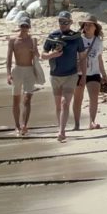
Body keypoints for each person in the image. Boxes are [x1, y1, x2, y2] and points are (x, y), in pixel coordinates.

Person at [42, 10, 86, 142]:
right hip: (55, 75)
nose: (63, 24)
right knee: (58, 105)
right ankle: (60, 127)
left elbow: (83, 57)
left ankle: (62, 131)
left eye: (66, 22)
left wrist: (83, 75)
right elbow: (42, 55)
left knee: (65, 103)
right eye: (61, 22)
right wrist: (51, 55)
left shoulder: (76, 37)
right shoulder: (53, 36)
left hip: (70, 75)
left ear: (71, 22)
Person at [72, 14, 107, 130]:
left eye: (90, 25)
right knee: (78, 98)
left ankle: (92, 122)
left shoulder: (98, 41)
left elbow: (99, 59)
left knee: (94, 97)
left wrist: (104, 75)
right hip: (79, 73)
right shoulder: (77, 39)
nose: (87, 27)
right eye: (86, 25)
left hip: (94, 73)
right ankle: (77, 124)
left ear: (95, 27)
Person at [6, 17, 40, 136]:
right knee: (16, 100)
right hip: (17, 71)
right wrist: (8, 74)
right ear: (19, 26)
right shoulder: (13, 40)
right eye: (22, 26)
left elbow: (38, 55)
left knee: (27, 99)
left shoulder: (33, 40)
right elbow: (9, 58)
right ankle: (16, 126)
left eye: (26, 26)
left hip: (29, 71)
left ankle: (24, 125)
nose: (24, 28)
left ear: (29, 27)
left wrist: (34, 51)